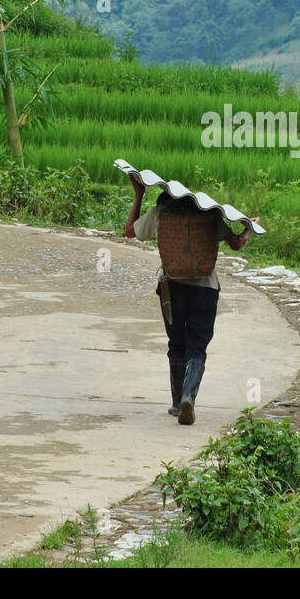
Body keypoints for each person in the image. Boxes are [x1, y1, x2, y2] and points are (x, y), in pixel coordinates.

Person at [125, 175, 257, 425]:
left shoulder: (159, 213)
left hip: (171, 289)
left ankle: (177, 404)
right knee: (197, 346)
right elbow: (236, 244)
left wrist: (139, 195)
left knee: (176, 344)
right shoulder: (210, 214)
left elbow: (130, 232)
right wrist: (248, 228)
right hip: (205, 289)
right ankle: (189, 396)